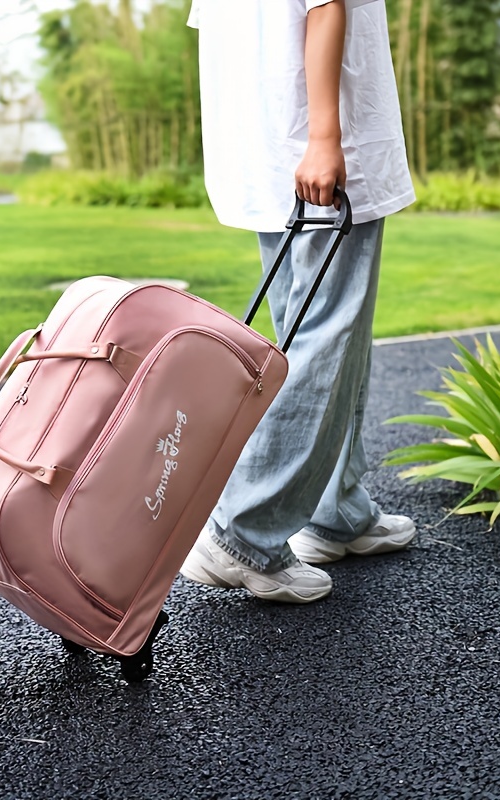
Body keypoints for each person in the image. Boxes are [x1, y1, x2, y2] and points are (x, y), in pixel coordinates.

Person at [179, 0, 418, 603]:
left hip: (269, 151)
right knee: (327, 337)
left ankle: (334, 509)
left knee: (313, 334)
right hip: (319, 153)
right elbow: (325, 6)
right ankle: (244, 535)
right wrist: (323, 138)